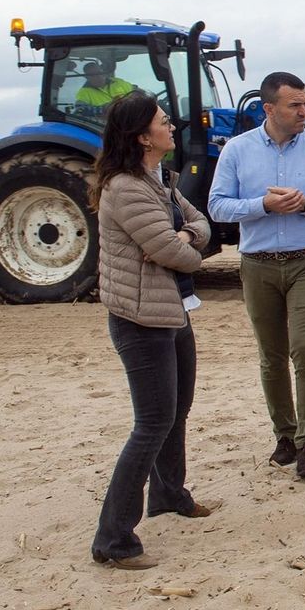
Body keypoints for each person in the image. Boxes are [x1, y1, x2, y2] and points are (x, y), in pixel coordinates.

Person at [90, 92, 214, 571]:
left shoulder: (159, 179)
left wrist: (182, 236)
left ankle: (169, 496)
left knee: (176, 410)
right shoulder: (126, 188)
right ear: (143, 136)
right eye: (163, 122)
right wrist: (182, 243)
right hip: (140, 319)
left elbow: (199, 226)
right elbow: (181, 254)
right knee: (151, 424)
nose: (172, 127)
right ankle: (113, 540)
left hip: (170, 310)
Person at [208, 72, 305, 479]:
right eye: (296, 105)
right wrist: (262, 206)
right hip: (257, 265)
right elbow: (217, 206)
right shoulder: (237, 151)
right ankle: (284, 436)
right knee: (271, 357)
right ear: (269, 109)